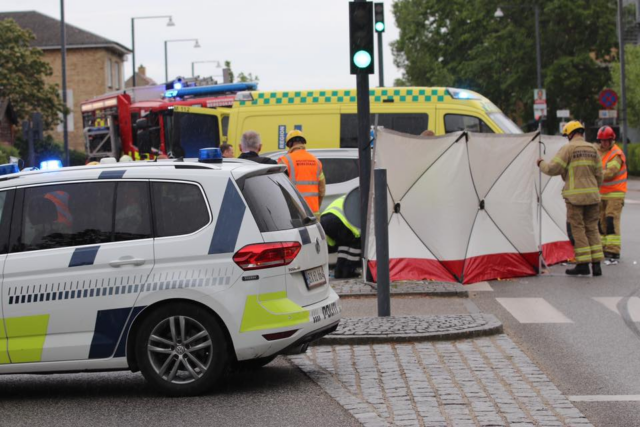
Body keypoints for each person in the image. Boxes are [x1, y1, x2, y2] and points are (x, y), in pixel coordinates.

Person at [537, 120, 603, 276]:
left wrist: (540, 163)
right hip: (593, 197)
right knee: (592, 229)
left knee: (578, 229)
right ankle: (597, 265)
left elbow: (553, 169)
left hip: (575, 199)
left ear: (571, 134)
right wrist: (592, 189)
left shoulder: (568, 148)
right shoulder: (593, 149)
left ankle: (583, 264)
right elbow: (600, 175)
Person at [596, 126, 627, 262]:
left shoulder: (616, 153)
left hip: (615, 194)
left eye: (607, 140)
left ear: (612, 139)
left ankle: (613, 250)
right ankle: (604, 247)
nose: (604, 143)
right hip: (601, 194)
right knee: (601, 222)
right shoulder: (598, 152)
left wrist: (594, 174)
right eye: (602, 141)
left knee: (611, 222)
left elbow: (610, 172)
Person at [278, 130, 326, 216]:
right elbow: (322, 190)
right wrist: (316, 206)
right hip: (313, 213)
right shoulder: (316, 161)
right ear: (303, 142)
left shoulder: (285, 161)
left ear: (290, 144)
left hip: (295, 213)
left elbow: (278, 188)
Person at [321, 195, 361, 279]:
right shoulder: (363, 201)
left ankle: (339, 272)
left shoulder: (352, 197)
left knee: (343, 244)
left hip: (324, 219)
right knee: (356, 242)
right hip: (339, 220)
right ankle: (349, 271)